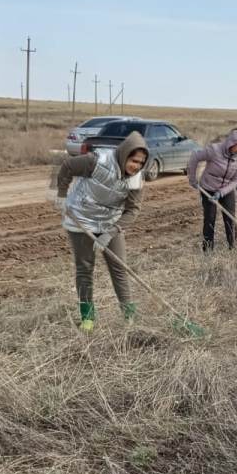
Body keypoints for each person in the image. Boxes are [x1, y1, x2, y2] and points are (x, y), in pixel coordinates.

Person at [55, 131, 148, 333]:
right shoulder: (96, 161)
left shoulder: (136, 179)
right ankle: (87, 317)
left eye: (141, 163)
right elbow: (68, 166)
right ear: (125, 155)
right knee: (85, 268)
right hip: (81, 219)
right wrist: (62, 195)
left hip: (109, 223)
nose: (136, 166)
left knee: (119, 267)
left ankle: (129, 314)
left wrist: (111, 232)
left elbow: (133, 210)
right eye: (134, 160)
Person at [187, 130, 237, 251]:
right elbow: (195, 156)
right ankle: (208, 250)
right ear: (231, 143)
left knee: (230, 217)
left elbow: (236, 180)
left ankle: (234, 247)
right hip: (208, 188)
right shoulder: (214, 150)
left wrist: (222, 192)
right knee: (210, 218)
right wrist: (193, 179)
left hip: (226, 190)